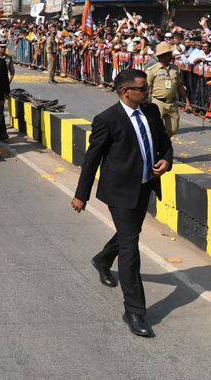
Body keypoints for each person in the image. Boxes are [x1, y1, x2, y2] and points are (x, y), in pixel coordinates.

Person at [72, 69, 173, 338]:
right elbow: (92, 158)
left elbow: (164, 145)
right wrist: (81, 194)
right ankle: (135, 311)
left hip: (143, 187)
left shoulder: (151, 112)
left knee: (130, 235)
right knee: (131, 248)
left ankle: (103, 259)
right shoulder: (107, 119)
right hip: (119, 193)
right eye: (142, 89)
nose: (147, 92)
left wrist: (167, 160)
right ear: (125, 91)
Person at [146, 42, 187, 138]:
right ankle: (159, 149)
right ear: (162, 56)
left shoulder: (175, 69)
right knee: (155, 128)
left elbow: (180, 86)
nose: (171, 55)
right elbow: (147, 88)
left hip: (172, 103)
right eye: (169, 53)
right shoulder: (152, 70)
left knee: (173, 129)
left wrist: (188, 102)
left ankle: (163, 144)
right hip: (157, 103)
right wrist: (145, 103)